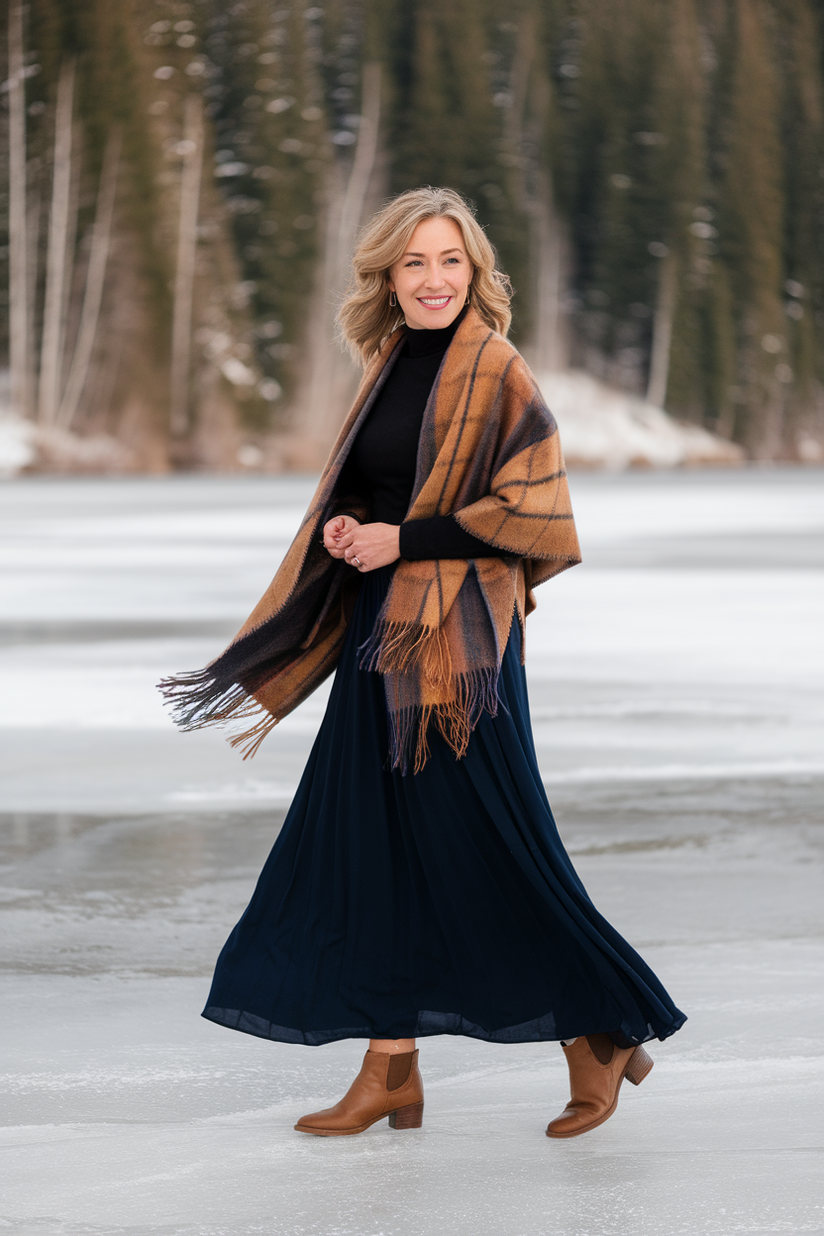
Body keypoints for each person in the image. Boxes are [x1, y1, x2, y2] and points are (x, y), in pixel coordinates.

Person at [160, 186, 685, 1141]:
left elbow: (536, 511)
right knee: (369, 846)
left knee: (491, 840)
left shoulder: (497, 368)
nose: (433, 279)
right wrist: (349, 526)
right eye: (414, 263)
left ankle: (601, 1029)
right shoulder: (391, 361)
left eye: (449, 261)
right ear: (388, 278)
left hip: (459, 649)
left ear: (475, 272)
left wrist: (404, 542)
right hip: (377, 634)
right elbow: (372, 487)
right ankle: (390, 1066)